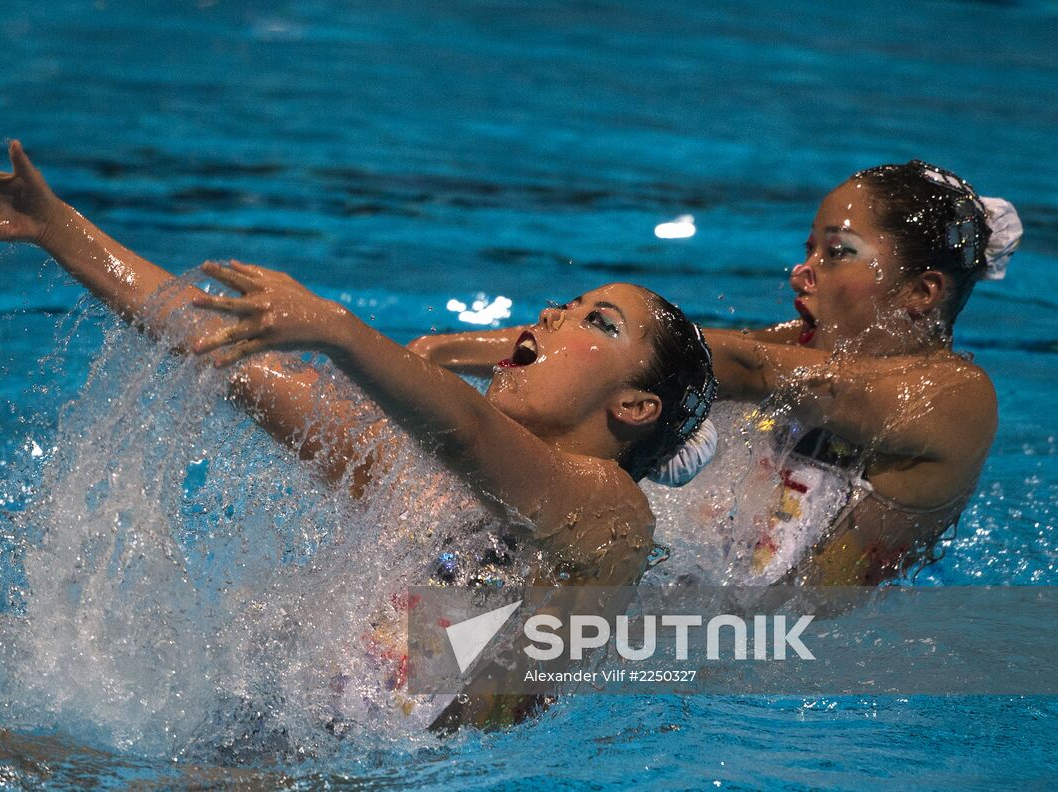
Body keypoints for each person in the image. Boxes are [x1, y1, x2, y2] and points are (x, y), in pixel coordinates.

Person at [0, 138, 717, 727]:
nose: (550, 313)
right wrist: (59, 230)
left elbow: (465, 430)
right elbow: (231, 358)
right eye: (567, 303)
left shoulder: (610, 522)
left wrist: (335, 328)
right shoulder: (433, 498)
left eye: (596, 322)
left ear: (634, 408)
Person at [409, 161, 1022, 585]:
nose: (801, 274)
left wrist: (447, 351)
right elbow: (661, 355)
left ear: (922, 291)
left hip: (791, 675)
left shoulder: (957, 399)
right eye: (809, 248)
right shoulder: (807, 347)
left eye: (835, 253)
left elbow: (721, 362)